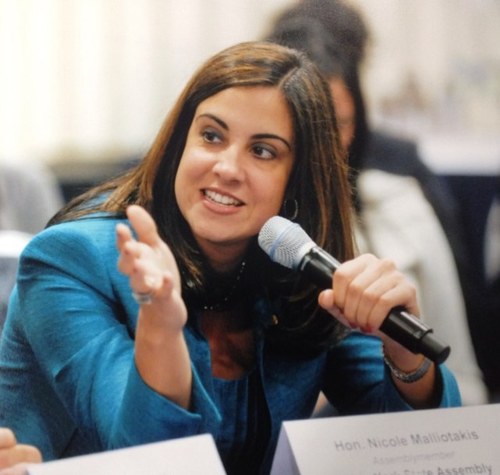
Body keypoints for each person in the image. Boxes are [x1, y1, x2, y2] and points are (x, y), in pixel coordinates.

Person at [0, 41, 460, 474]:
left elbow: (422, 450)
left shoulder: (297, 274)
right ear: (179, 144)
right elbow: (146, 459)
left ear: (298, 181)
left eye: (262, 151)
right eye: (211, 136)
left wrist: (405, 355)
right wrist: (161, 328)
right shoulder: (71, 260)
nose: (226, 168)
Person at [264, 1, 488, 406]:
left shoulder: (397, 196)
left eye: (339, 123)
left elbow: (454, 354)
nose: (324, 145)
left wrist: (409, 360)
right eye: (307, 125)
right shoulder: (251, 219)